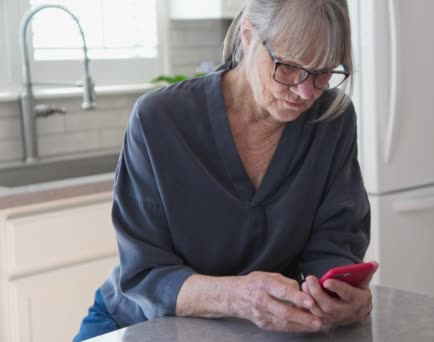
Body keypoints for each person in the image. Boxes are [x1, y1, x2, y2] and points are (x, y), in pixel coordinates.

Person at [73, 0, 376, 340]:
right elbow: (146, 275)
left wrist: (341, 299)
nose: (305, 91)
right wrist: (239, 296)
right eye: (288, 66)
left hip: (265, 331)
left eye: (323, 72)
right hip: (137, 324)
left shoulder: (331, 120)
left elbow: (333, 248)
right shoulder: (159, 120)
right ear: (248, 35)